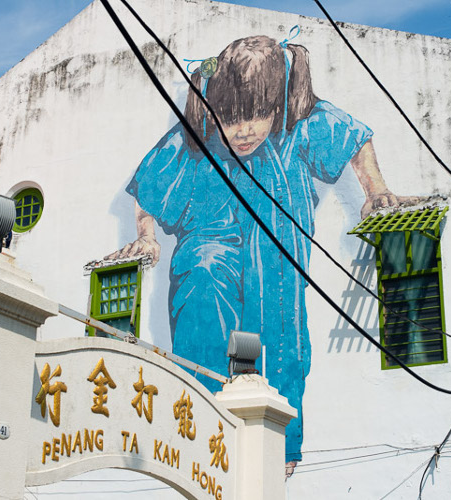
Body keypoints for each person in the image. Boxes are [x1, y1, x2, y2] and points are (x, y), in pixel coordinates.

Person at [108, 34, 411, 464]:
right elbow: (151, 183)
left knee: (282, 344)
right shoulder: (199, 137)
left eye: (257, 117)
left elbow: (353, 139)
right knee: (203, 278)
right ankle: (203, 427)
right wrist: (147, 235)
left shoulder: (299, 123)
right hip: (212, 242)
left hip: (276, 260)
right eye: (231, 120)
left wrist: (375, 189)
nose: (244, 131)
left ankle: (280, 453)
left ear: (275, 107)